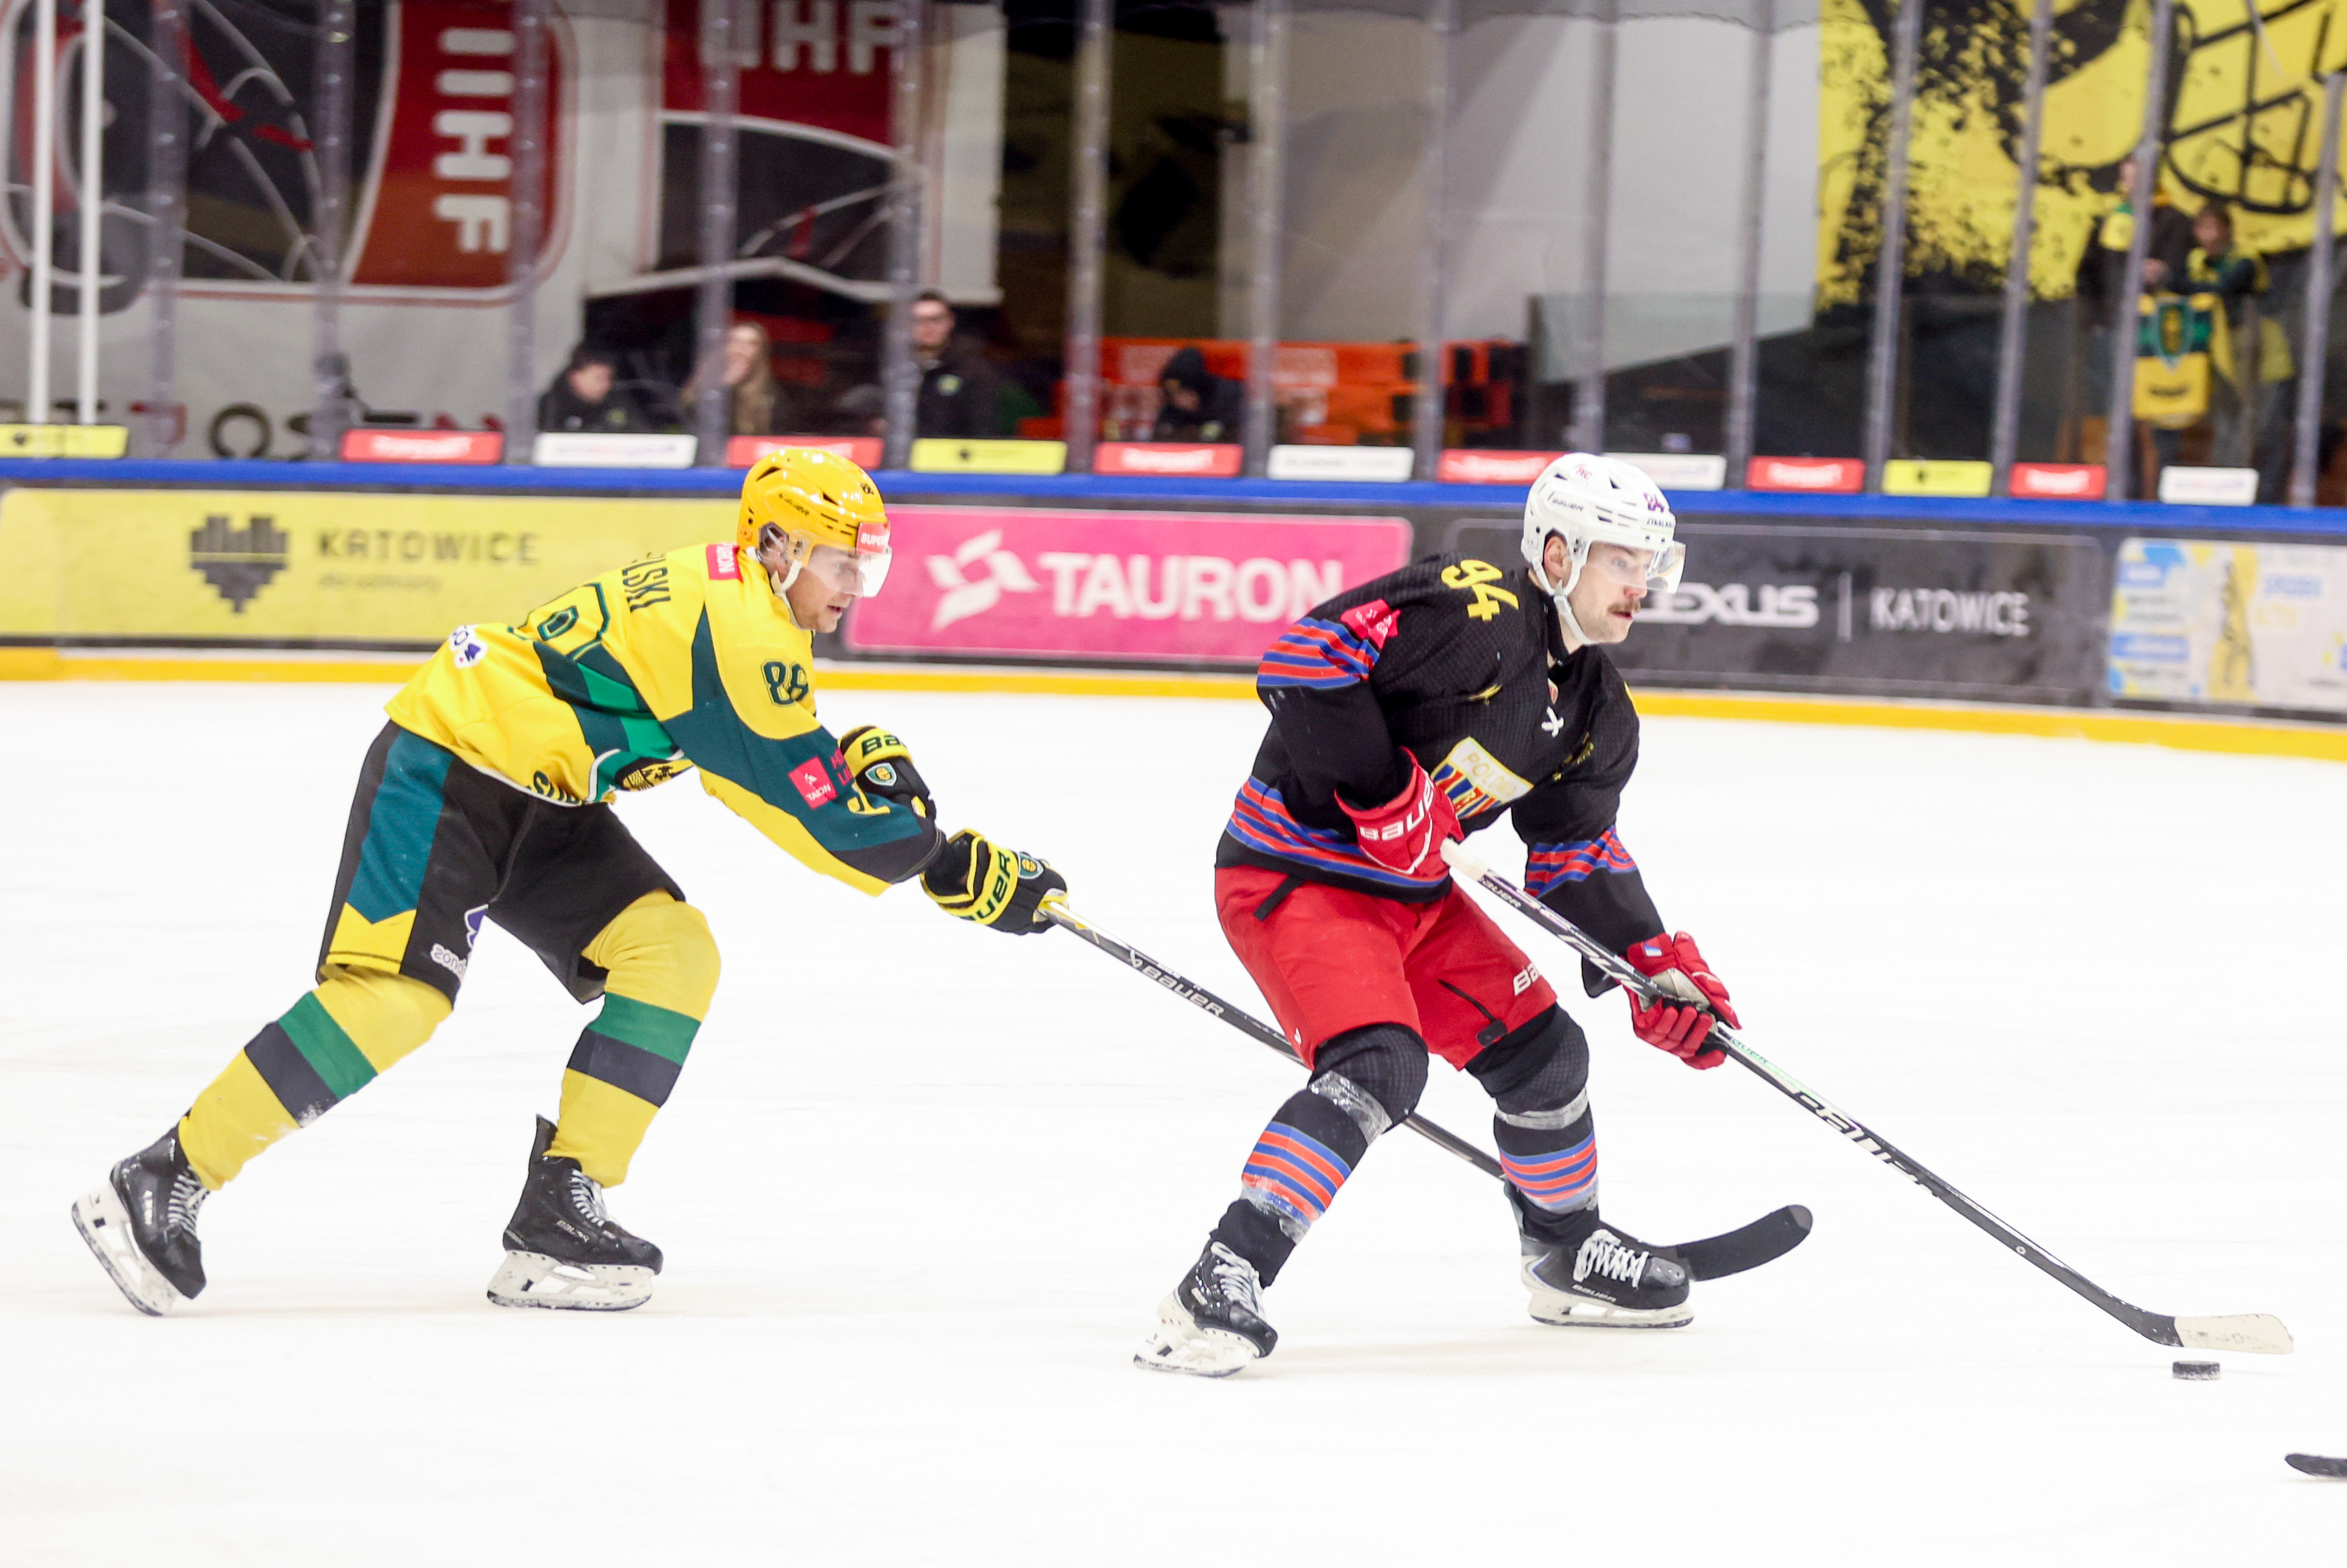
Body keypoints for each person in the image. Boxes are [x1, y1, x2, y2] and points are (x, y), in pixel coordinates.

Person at [71, 449, 1067, 1317]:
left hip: (541, 793)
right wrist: (945, 860)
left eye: (865, 566)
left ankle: (560, 1208)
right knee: (393, 999)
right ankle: (163, 1173)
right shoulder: (743, 627)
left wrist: (870, 798)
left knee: (670, 951)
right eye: (844, 563)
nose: (856, 588)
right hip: (452, 763)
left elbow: (761, 776)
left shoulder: (743, 603)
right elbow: (817, 821)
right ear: (781, 547)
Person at [1137, 454, 1739, 1377]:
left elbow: (1575, 854)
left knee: (1547, 1057)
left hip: (1415, 901)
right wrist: (1381, 790)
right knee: (1379, 1064)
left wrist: (1648, 961)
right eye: (1623, 560)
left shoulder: (1594, 710)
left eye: (1652, 563)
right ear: (1556, 553)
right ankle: (1218, 1279)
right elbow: (1304, 656)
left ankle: (1563, 1250)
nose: (1642, 584)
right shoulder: (1474, 612)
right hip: (1295, 876)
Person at [2186, 200, 2293, 484]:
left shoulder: (2246, 258)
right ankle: (2225, 480)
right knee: (2226, 420)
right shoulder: (2196, 260)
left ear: (2227, 231)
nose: (2208, 236)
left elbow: (2224, 289)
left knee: (2262, 423)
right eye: (2202, 228)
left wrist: (2175, 282)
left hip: (2260, 349)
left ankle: (2262, 491)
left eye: (2213, 228)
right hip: (2222, 350)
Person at [683, 319, 802, 437]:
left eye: (752, 343)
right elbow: (688, 418)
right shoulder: (702, 383)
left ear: (760, 353)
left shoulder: (771, 395)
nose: (742, 348)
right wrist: (724, 385)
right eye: (735, 341)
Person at [911, 290, 1002, 439]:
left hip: (955, 451)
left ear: (950, 321)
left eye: (936, 320)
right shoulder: (891, 368)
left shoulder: (974, 369)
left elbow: (983, 426)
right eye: (919, 320)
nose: (928, 327)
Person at [539, 344, 651, 434]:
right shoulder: (550, 407)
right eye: (599, 379)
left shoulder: (618, 405)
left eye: (609, 379)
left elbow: (641, 435)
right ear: (576, 377)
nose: (606, 385)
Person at [1150, 346, 1245, 443]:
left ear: (1198, 389)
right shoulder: (1172, 411)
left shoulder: (1228, 398)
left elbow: (1238, 433)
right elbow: (1160, 439)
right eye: (1173, 395)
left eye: (1184, 393)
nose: (1179, 400)